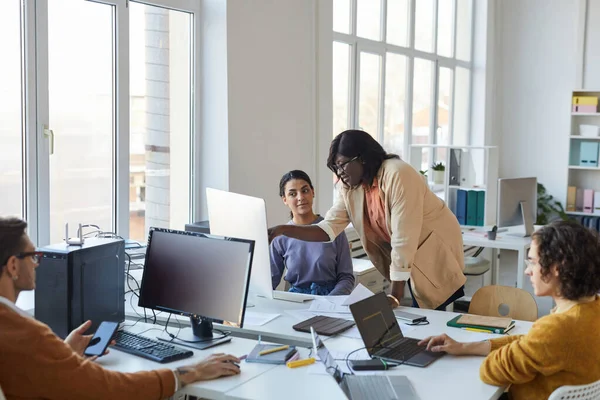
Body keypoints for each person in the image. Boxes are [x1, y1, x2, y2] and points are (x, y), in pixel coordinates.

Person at [0, 217, 241, 400]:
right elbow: (111, 387)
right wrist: (192, 372)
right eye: (33, 257)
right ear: (13, 266)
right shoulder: (25, 334)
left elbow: (33, 375)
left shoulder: (16, 332)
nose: (37, 264)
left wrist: (63, 355)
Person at [269, 130, 465, 310]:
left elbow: (403, 239)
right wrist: (283, 230)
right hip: (407, 258)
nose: (340, 172)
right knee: (417, 315)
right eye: (336, 167)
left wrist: (395, 296)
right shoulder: (351, 186)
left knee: (431, 314)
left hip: (433, 249)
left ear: (362, 159)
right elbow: (327, 229)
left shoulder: (398, 174)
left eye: (343, 164)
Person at [418, 220, 600, 400]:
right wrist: (465, 346)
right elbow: (533, 342)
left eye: (533, 262)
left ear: (556, 268)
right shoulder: (591, 309)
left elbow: (492, 371)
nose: (527, 271)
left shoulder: (559, 327)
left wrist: (514, 359)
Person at [271, 170, 355, 295]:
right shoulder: (280, 236)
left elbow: (346, 278)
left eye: (305, 191)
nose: (300, 197)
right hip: (297, 304)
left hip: (331, 300)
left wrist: (329, 302)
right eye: (293, 194)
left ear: (313, 192)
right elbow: (269, 281)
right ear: (285, 199)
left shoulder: (332, 230)